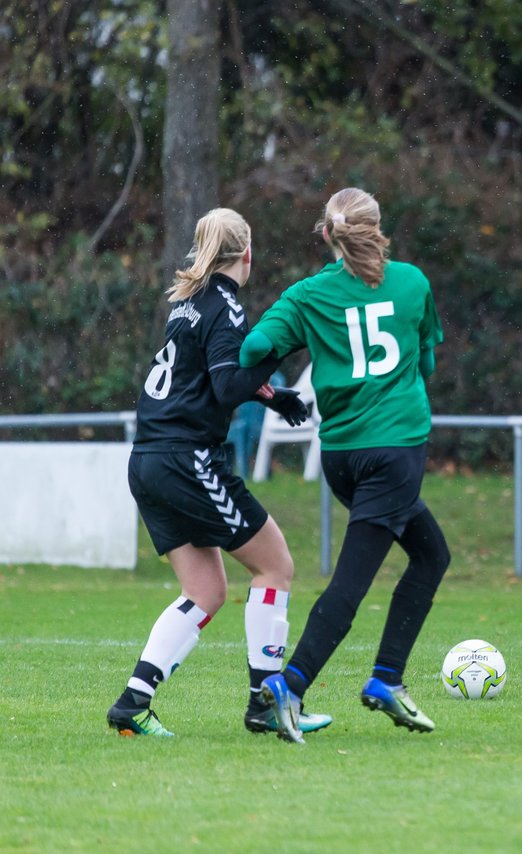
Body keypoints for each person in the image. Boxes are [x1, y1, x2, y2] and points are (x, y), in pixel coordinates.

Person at [108, 208, 331, 738]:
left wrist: (274, 398)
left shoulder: (187, 304)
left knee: (206, 591)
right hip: (188, 459)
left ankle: (131, 704)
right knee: (275, 565)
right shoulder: (226, 307)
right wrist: (283, 346)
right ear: (247, 253)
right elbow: (229, 385)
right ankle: (266, 703)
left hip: (150, 460)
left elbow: (210, 378)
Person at [240, 187, 450, 744]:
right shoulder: (411, 282)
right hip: (395, 452)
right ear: (378, 228)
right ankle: (290, 685)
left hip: (340, 456)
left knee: (431, 555)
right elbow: (427, 357)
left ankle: (386, 679)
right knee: (353, 581)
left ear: (326, 234)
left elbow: (252, 349)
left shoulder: (308, 295)